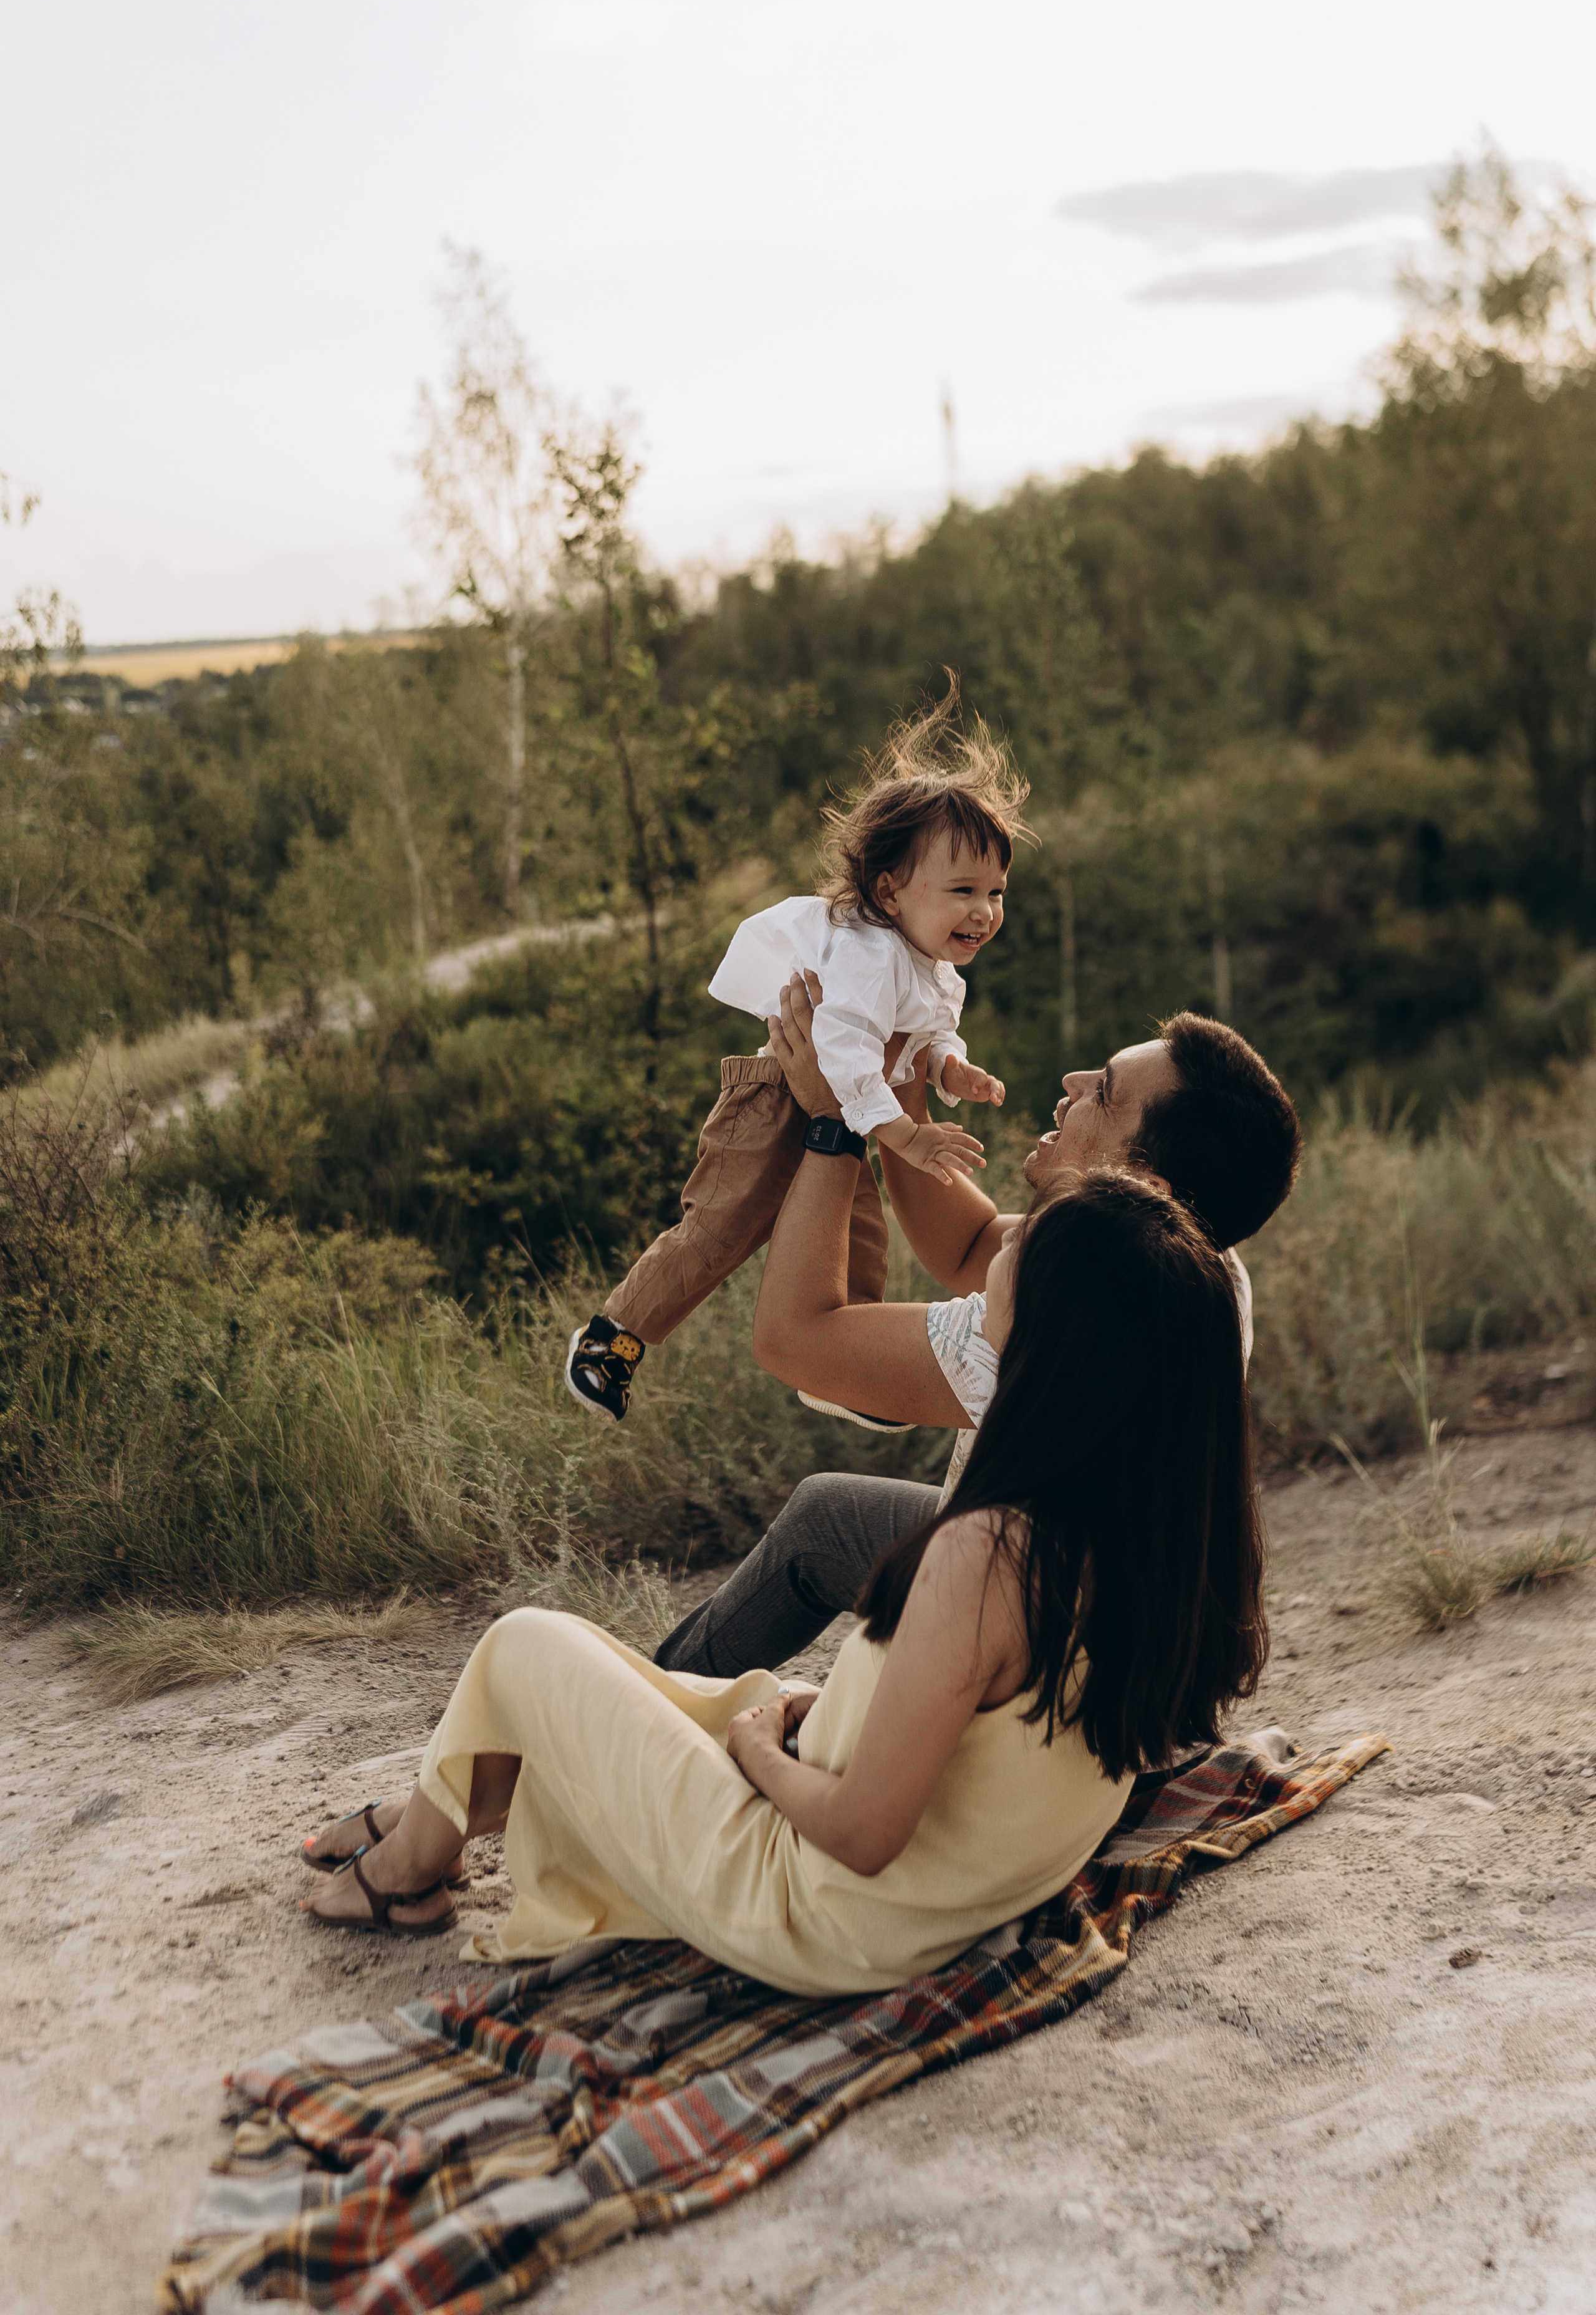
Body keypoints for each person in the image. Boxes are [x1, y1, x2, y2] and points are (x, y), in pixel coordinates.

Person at [298, 1169, 1268, 1996]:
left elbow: (863, 1834)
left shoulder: (994, 1554)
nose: (999, 1245)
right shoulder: (1153, 1523)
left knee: (525, 1647)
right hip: (957, 1890)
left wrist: (765, 1756)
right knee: (728, 1694)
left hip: (825, 1913)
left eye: (1022, 1247)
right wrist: (801, 1718)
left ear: (1059, 1331)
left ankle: (409, 1873)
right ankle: (442, 1814)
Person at [653, 977, 1301, 1677]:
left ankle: (651, 1719)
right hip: (1117, 1609)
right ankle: (666, 1694)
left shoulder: (1064, 1305)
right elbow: (966, 1246)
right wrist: (897, 1084)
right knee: (833, 1513)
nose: (1073, 1081)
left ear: (1145, 1182)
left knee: (824, 1525)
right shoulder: (1201, 1260)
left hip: (1041, 1638)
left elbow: (793, 1339)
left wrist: (833, 1119)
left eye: (1104, 1093)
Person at [563, 696, 1025, 1427]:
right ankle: (613, 1338)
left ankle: (852, 1368)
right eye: (963, 891)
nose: (984, 911)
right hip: (782, 1095)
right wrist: (904, 1135)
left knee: (859, 1244)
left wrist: (947, 1070)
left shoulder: (937, 971)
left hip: (848, 1111)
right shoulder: (869, 952)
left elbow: (925, 1039)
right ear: (889, 890)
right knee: (719, 1229)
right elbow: (839, 1049)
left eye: (996, 892)